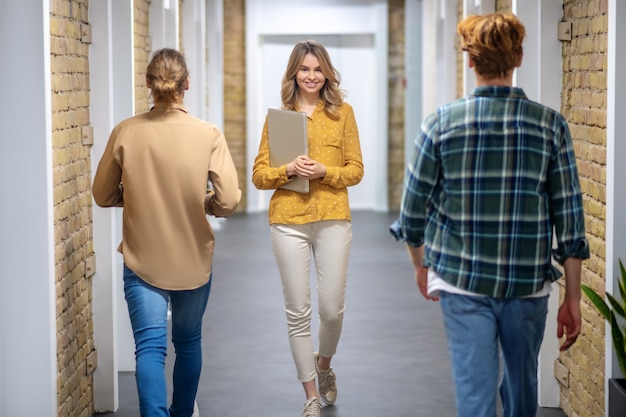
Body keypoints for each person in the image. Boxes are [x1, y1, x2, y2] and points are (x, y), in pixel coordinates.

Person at [393, 13, 589, 417]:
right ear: (518, 57)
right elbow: (569, 218)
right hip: (527, 285)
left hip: (461, 282)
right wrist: (572, 296)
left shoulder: (440, 124)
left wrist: (421, 265)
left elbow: (412, 213)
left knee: (475, 395)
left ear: (470, 61)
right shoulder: (550, 126)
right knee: (522, 393)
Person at [93, 48, 241, 417]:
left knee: (149, 348)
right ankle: (182, 412)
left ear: (148, 83)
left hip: (143, 261)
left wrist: (137, 194)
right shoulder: (208, 134)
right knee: (188, 343)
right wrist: (203, 202)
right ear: (186, 83)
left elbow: (102, 194)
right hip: (192, 259)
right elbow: (228, 201)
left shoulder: (126, 132)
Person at [252, 40, 364, 417]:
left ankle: (325, 365)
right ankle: (310, 396)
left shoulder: (343, 114)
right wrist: (288, 170)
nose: (312, 76)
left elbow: (356, 170)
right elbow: (258, 175)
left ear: (327, 73)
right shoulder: (279, 117)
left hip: (333, 216)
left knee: (332, 310)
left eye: (318, 69)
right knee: (297, 310)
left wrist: (324, 172)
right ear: (294, 74)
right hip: (288, 221)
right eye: (304, 69)